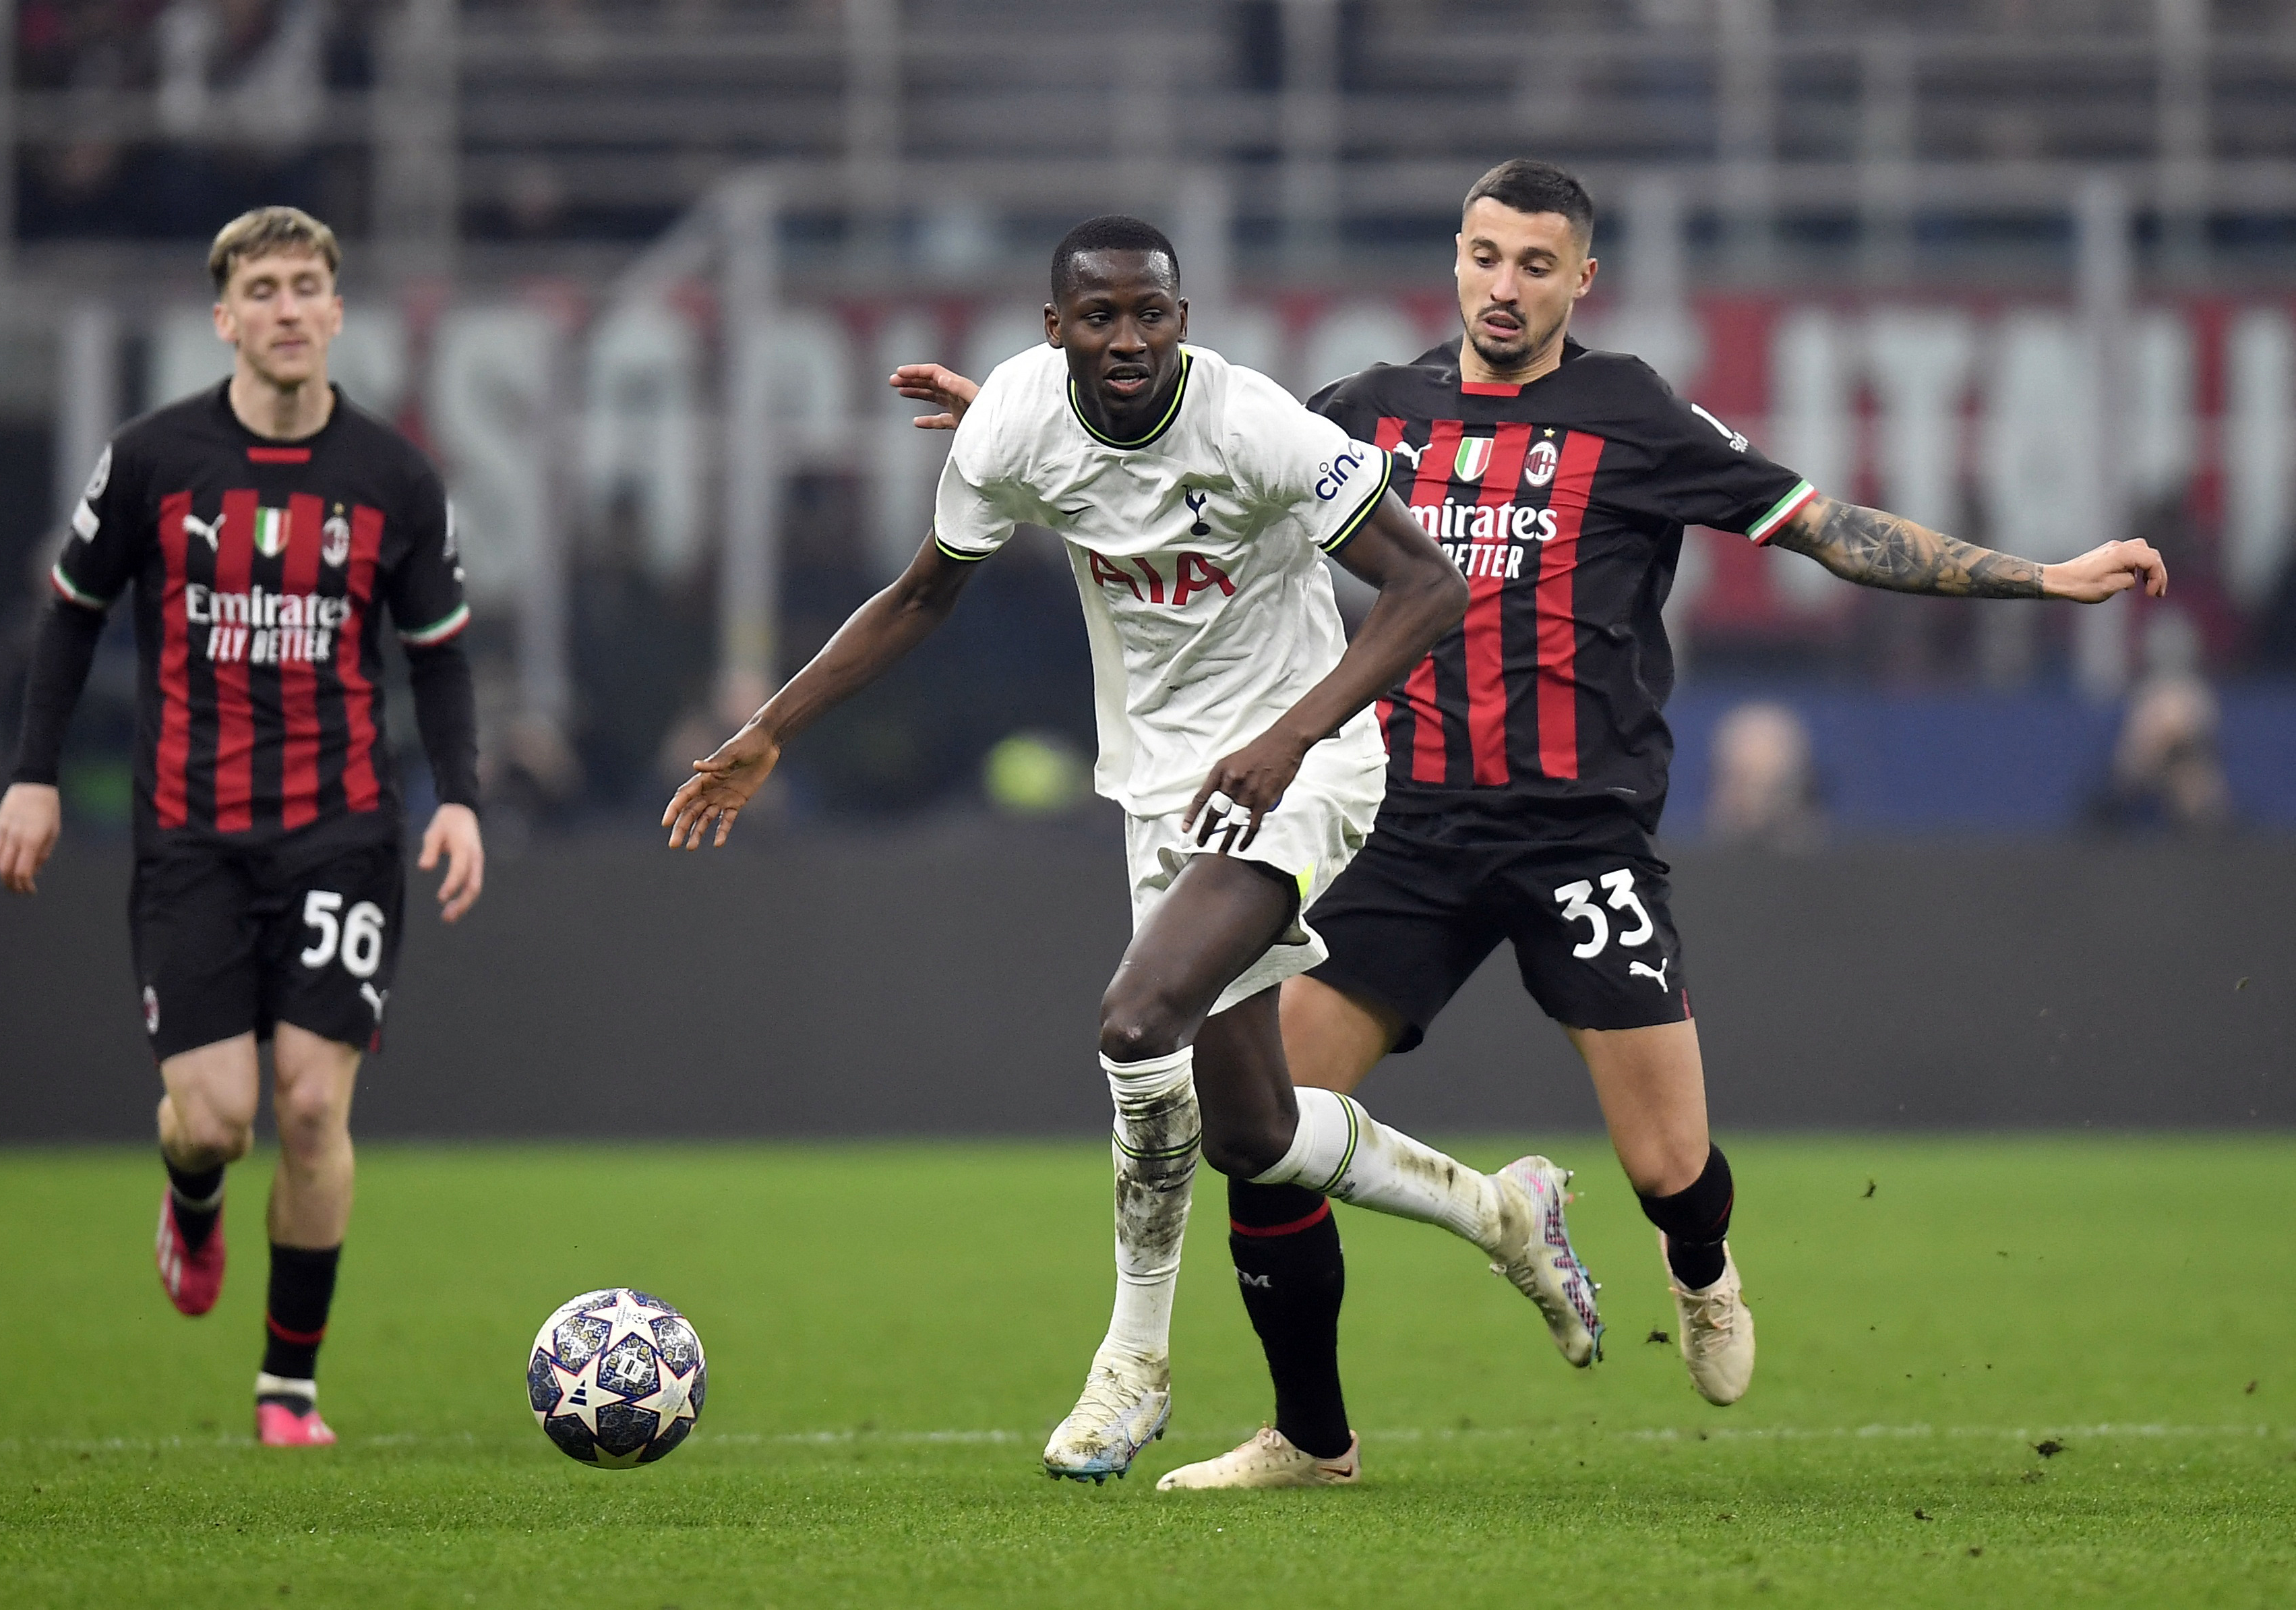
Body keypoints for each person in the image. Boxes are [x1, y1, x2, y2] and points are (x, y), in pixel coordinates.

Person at [890, 162, 2169, 1492]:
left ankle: (1697, 1266)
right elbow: (1183, 454)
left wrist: (2041, 578)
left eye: (1535, 265)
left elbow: (1823, 529)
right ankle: (1310, 1440)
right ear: (1456, 260)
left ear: (1580, 282)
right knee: (1262, 1134)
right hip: (1399, 830)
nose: (1505, 287)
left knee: (1669, 1162)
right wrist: (1017, 425)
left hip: (1576, 835)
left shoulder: (1634, 414)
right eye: (1485, 258)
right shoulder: (1372, 411)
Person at [667, 216, 1602, 1485]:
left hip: (1303, 761)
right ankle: (1500, 1213)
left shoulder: (1255, 427)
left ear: (1183, 317)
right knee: (1256, 1132)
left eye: (1150, 314)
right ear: (1054, 329)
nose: (1127, 339)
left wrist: (1287, 740)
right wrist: (771, 728)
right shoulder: (1012, 424)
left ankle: (1134, 1364)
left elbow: (1429, 588)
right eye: (1097, 317)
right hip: (1163, 788)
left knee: (1135, 1022)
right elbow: (923, 594)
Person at [0, 206, 484, 1448]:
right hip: (191, 833)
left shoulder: (394, 475)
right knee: (213, 1116)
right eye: (260, 288)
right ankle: (193, 1195)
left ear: (333, 310)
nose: (285, 307)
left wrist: (462, 798)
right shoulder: (153, 458)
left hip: (344, 831)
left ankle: (286, 1389)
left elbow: (441, 657)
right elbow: (70, 617)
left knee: (312, 1110)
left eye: (306, 285)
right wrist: (33, 774)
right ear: (224, 318)